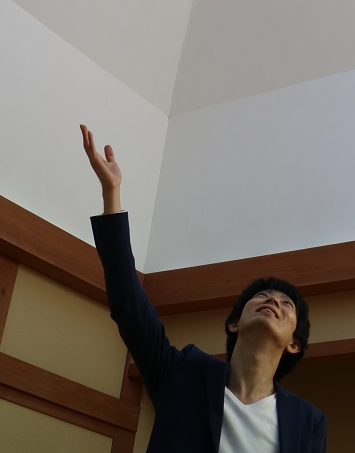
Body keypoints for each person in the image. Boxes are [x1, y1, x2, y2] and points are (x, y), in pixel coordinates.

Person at [80, 124, 327, 453]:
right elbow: (128, 306)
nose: (273, 300)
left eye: (287, 303)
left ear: (294, 344)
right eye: (263, 295)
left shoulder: (307, 422)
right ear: (234, 323)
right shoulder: (183, 373)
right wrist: (112, 194)